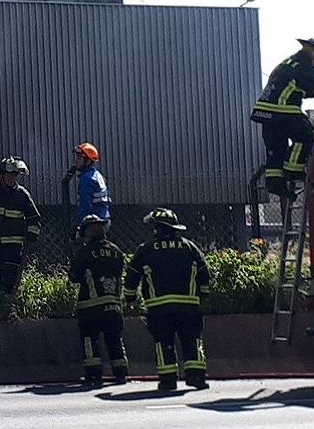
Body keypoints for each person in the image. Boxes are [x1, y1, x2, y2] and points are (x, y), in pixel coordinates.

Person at [123, 208, 211, 391]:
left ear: (157, 228)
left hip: (159, 308)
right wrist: (203, 296)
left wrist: (129, 298)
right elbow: (204, 274)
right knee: (192, 340)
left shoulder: (145, 249)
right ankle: (196, 377)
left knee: (164, 343)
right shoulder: (190, 247)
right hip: (189, 307)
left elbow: (132, 276)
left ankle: (168, 380)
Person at [250, 38, 314, 199]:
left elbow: (293, 86)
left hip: (265, 112)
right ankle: (293, 171)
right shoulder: (305, 67)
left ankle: (275, 184)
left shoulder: (285, 64)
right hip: (282, 109)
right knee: (305, 136)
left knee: (276, 149)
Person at [70, 214, 128, 387]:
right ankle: (121, 373)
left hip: (90, 306)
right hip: (114, 305)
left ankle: (94, 374)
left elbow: (74, 277)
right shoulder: (117, 251)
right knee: (114, 338)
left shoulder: (85, 252)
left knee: (90, 339)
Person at [0, 156, 41, 295]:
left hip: (12, 246)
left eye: (14, 175)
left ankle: (6, 303)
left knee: (10, 277)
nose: (11, 178)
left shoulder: (22, 195)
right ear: (2, 174)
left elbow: (34, 217)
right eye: (8, 174)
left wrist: (32, 235)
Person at [70, 142, 111, 229]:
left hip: (93, 223)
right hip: (103, 219)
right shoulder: (97, 175)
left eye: (79, 158)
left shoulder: (87, 179)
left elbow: (85, 205)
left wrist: (77, 224)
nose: (76, 161)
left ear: (88, 161)